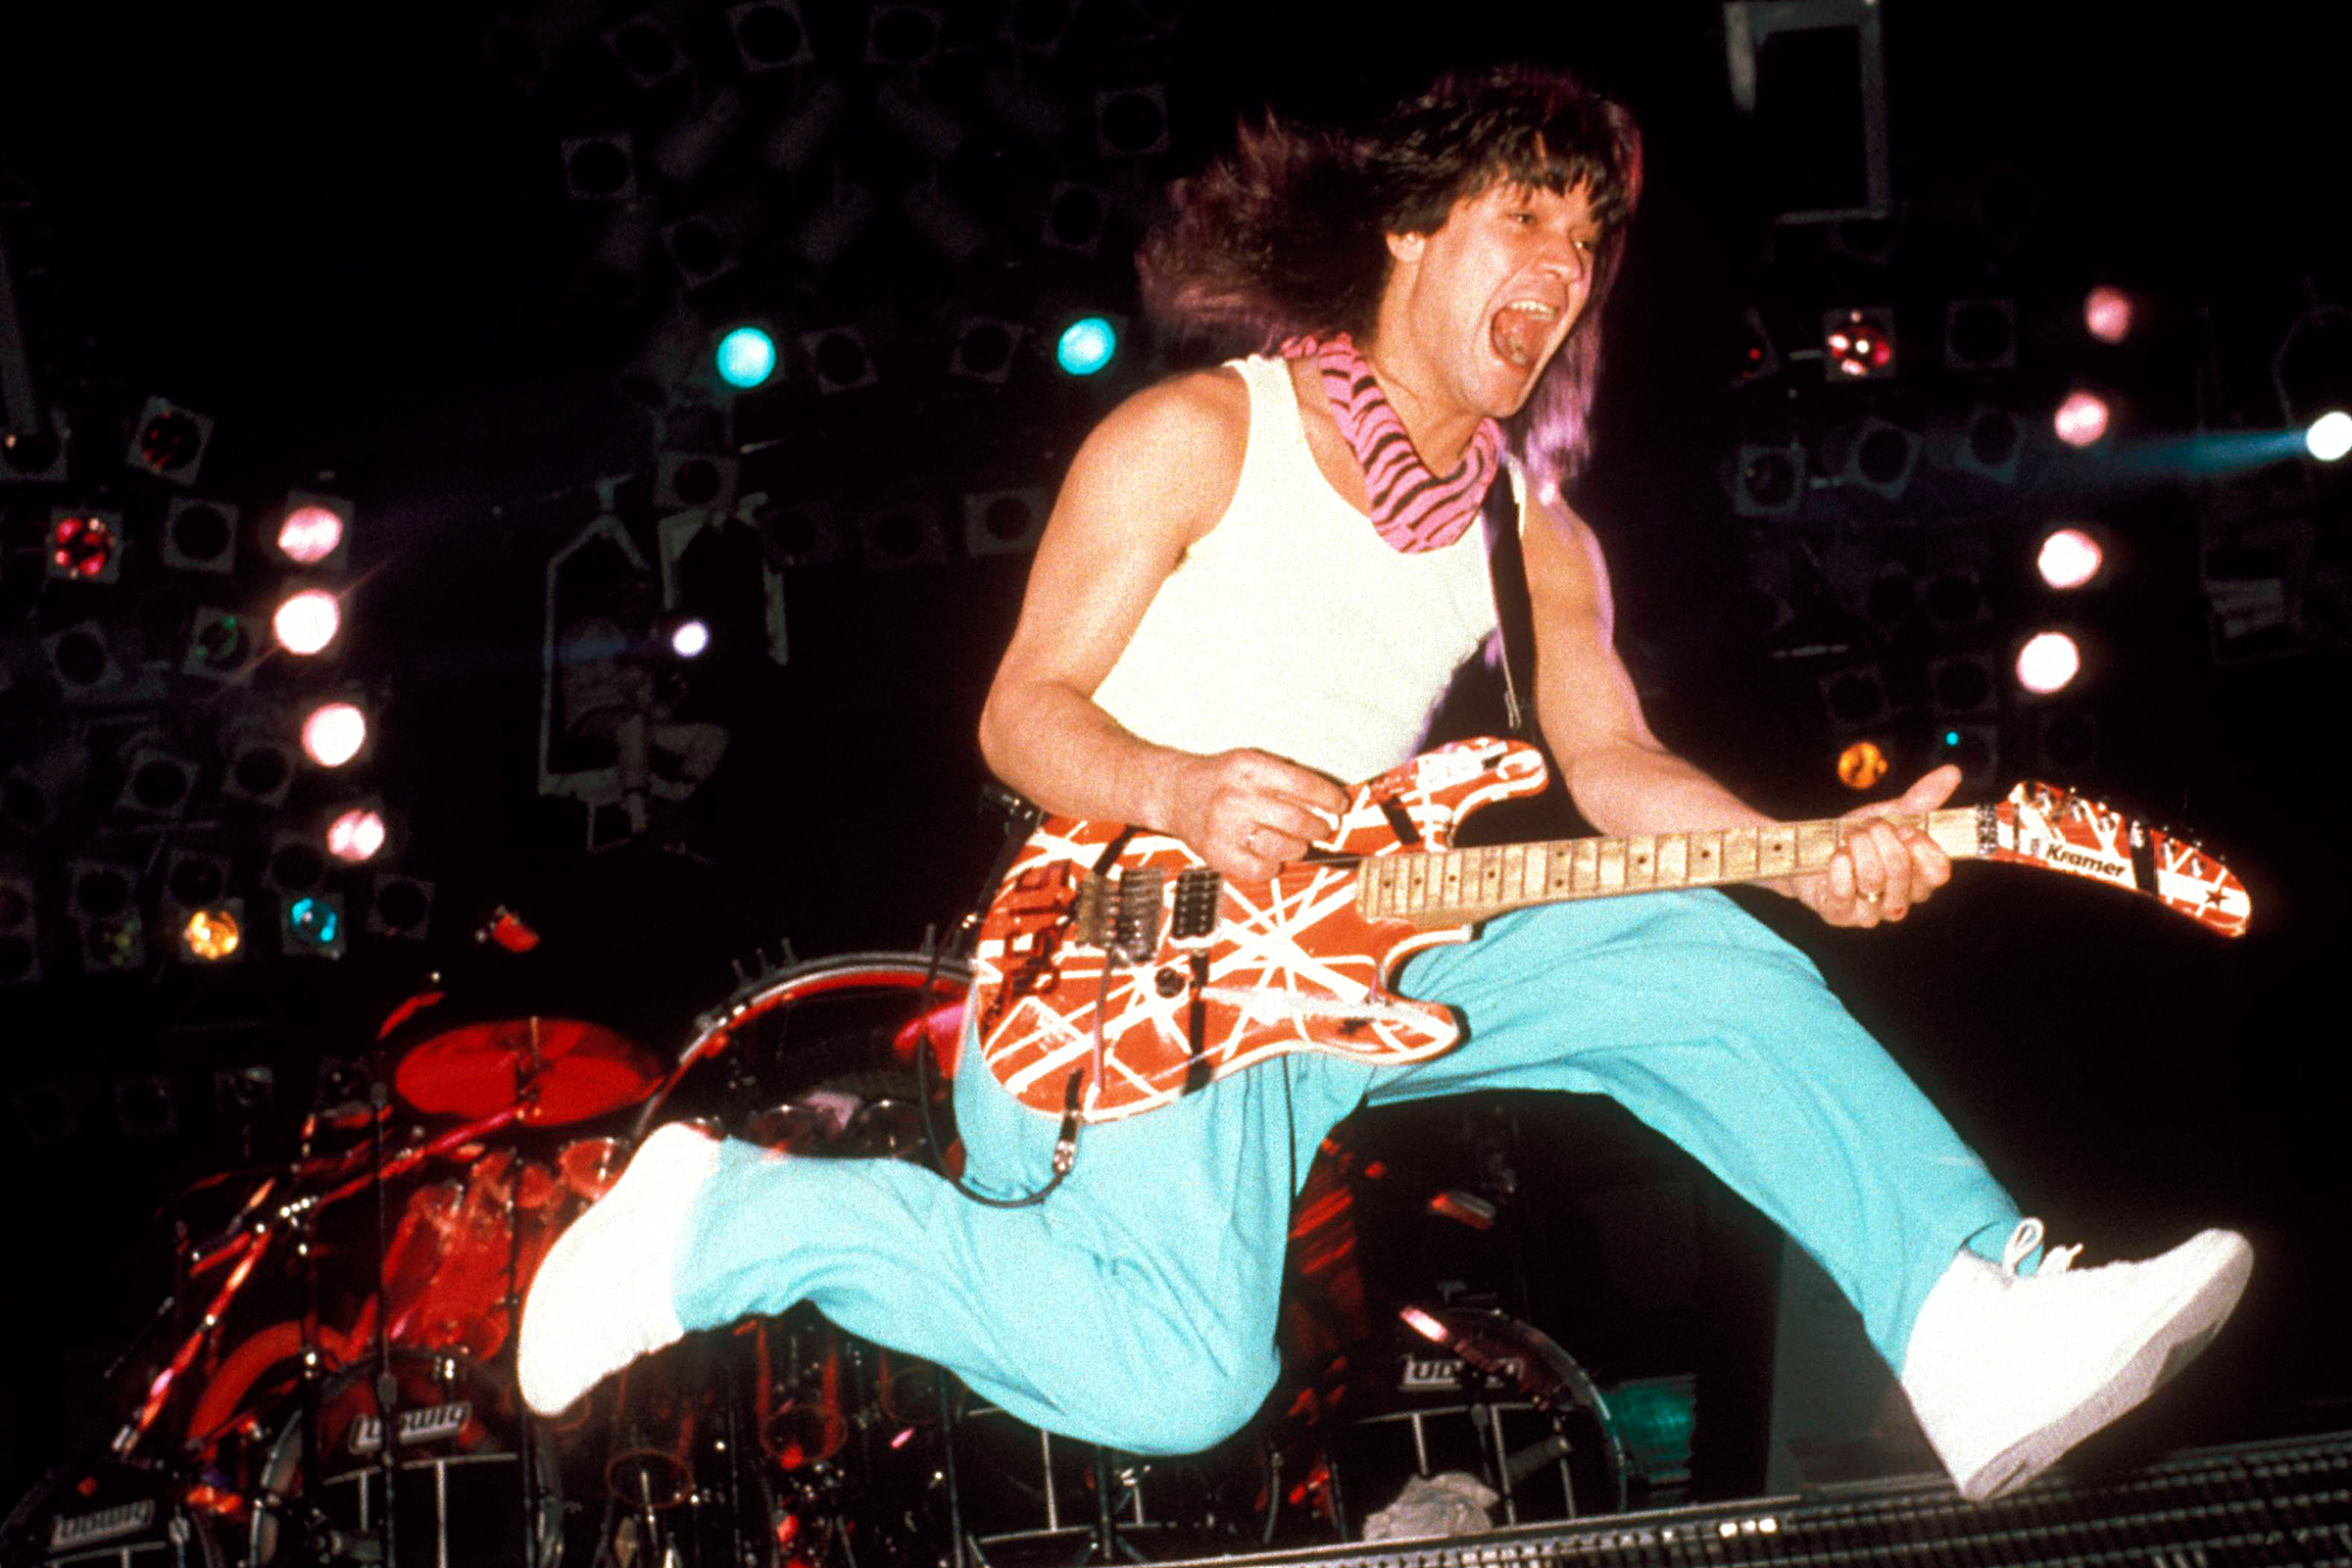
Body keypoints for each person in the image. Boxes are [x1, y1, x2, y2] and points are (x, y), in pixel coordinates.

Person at [518, 66, 2250, 1504]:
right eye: (1526, 218)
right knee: (1188, 1384)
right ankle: (733, 1218)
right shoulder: (1203, 437)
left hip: (1342, 953)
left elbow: (1616, 765)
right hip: (1131, 955)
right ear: (1410, 231)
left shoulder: (1534, 534)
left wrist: (1800, 854)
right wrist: (1182, 785)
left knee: (1691, 947)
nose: (1564, 267)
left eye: (1588, 242)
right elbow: (1020, 716)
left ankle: (1966, 1310)